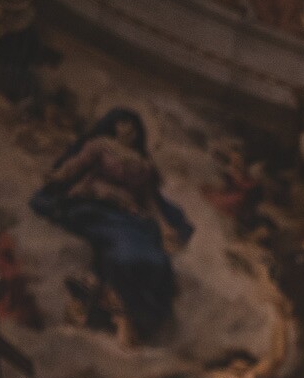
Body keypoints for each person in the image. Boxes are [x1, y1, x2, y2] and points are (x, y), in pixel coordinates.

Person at [30, 107, 192, 345]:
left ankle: (141, 320)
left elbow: (148, 199)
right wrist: (56, 178)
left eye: (133, 126)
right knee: (125, 256)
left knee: (156, 261)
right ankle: (119, 312)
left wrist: (165, 227)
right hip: (96, 207)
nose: (128, 129)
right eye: (123, 123)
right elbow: (74, 167)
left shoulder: (143, 163)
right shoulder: (100, 146)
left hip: (130, 217)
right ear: (114, 125)